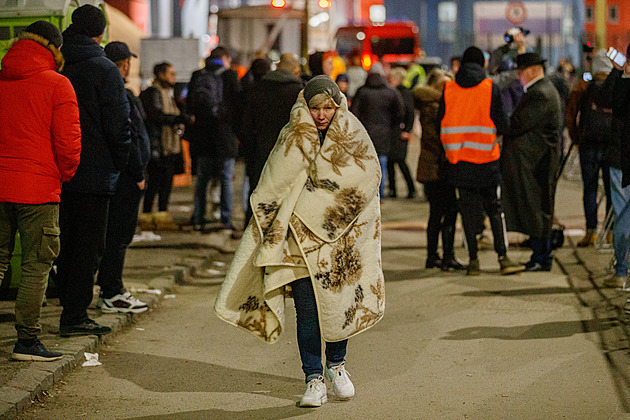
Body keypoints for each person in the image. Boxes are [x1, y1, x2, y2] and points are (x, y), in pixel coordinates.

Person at [215, 76, 384, 407]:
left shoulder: (353, 133)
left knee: (338, 305)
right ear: (304, 106)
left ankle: (337, 366)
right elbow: (272, 183)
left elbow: (366, 179)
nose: (321, 115)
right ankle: (313, 378)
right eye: (315, 107)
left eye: (328, 107)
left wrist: (323, 208)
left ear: (338, 106)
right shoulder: (290, 135)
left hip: (340, 238)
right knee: (307, 310)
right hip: (297, 239)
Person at [0, 21, 81, 360]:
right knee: (37, 263)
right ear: (54, 47)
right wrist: (62, 174)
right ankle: (27, 341)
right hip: (39, 188)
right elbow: (68, 142)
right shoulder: (57, 84)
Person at [56, 5, 130, 337]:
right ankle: (74, 315)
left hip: (56, 168)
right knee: (89, 246)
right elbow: (117, 122)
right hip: (94, 171)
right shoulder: (103, 68)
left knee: (66, 241)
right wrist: (120, 160)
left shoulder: (57, 63)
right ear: (100, 33)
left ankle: (64, 303)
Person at [438, 46, 524, 276]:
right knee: (494, 210)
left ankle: (473, 261)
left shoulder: (448, 90)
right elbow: (502, 124)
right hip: (486, 159)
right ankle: (503, 257)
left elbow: (441, 125)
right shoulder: (489, 88)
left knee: (467, 212)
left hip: (459, 161)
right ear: (482, 64)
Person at [96, 41, 151, 313]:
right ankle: (112, 290)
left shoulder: (99, 88)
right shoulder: (122, 93)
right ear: (125, 64)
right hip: (126, 177)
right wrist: (138, 172)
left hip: (111, 174)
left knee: (109, 235)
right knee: (119, 236)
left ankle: (110, 287)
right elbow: (128, 136)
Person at [502, 52, 563, 272]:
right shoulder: (541, 91)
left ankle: (541, 257)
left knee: (537, 209)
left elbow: (518, 123)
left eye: (520, 72)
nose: (518, 77)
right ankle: (539, 254)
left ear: (532, 70)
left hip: (537, 163)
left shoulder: (540, 94)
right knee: (537, 208)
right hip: (537, 162)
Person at [242, 52, 303, 222]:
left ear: (276, 67)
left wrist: (250, 152)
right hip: (290, 154)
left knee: (258, 196)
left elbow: (246, 126)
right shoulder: (298, 93)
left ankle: (253, 234)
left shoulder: (257, 89)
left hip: (260, 152)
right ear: (296, 71)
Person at [414, 69, 465, 271]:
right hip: (437, 166)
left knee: (441, 213)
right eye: (444, 85)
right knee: (445, 212)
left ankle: (437, 256)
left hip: (438, 166)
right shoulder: (434, 106)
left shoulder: (438, 104)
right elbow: (434, 138)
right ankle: (443, 256)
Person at [188, 46, 241, 231]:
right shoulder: (230, 76)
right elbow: (236, 104)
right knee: (226, 178)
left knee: (202, 178)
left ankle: (198, 217)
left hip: (202, 136)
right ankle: (225, 219)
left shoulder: (197, 75)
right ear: (225, 58)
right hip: (224, 135)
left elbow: (190, 104)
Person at [565, 49, 613, 247]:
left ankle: (591, 232)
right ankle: (611, 232)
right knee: (612, 191)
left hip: (588, 145)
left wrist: (577, 138)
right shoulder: (618, 87)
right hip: (611, 146)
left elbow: (569, 115)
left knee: (590, 188)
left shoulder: (583, 86)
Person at [139, 62, 184, 231]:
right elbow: (156, 116)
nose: (174, 77)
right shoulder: (153, 93)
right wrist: (176, 119)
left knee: (165, 183)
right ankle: (149, 216)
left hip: (168, 146)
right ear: (160, 74)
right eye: (170, 73)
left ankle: (160, 215)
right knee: (155, 183)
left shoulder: (168, 93)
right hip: (159, 146)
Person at [351, 62, 404, 198]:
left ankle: (366, 195)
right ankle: (380, 195)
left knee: (365, 167)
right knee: (382, 165)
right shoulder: (391, 92)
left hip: (365, 134)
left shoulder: (362, 91)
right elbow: (399, 113)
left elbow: (354, 113)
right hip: (384, 134)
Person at [601, 43, 630, 288]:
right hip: (621, 159)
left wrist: (619, 72)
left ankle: (622, 269)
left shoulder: (623, 86)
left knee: (623, 214)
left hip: (622, 160)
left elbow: (610, 102)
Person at [387, 67, 417, 199]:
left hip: (400, 132)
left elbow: (410, 113)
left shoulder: (403, 93)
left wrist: (407, 130)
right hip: (394, 131)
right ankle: (393, 189)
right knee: (391, 161)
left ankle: (411, 188)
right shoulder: (396, 92)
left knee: (399, 160)